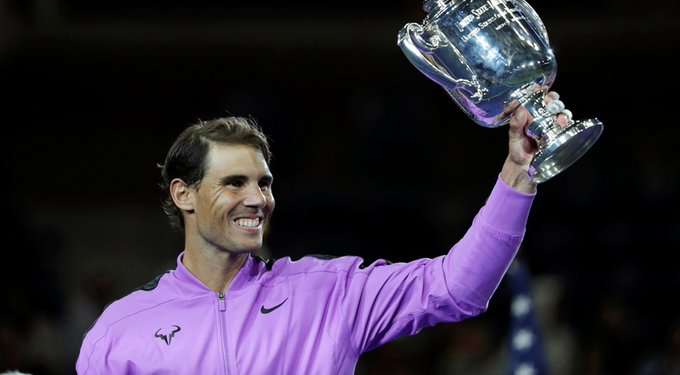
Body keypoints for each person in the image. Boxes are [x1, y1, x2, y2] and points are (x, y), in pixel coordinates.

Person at [76, 93, 570, 374]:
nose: (257, 199)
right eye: (234, 183)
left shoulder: (330, 293)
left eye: (263, 183)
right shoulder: (121, 331)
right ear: (184, 194)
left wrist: (518, 171)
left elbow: (457, 287)